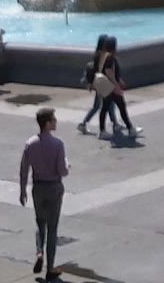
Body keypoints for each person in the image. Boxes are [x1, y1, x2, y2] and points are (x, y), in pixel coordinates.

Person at [20, 106, 70, 279]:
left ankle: (39, 251)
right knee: (53, 228)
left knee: (39, 222)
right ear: (48, 123)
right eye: (54, 119)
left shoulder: (30, 143)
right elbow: (62, 171)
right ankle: (50, 268)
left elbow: (24, 169)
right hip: (54, 188)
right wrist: (66, 164)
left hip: (38, 187)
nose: (56, 121)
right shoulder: (58, 144)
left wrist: (22, 190)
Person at [95, 37, 141, 139]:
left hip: (106, 87)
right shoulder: (110, 57)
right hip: (111, 87)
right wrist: (116, 85)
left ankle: (102, 131)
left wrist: (118, 80)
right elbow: (109, 72)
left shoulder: (103, 56)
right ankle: (130, 129)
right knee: (122, 107)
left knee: (105, 108)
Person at [77, 35, 113, 133]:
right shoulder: (102, 55)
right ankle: (84, 123)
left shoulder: (98, 53)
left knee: (106, 104)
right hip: (102, 83)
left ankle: (115, 123)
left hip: (100, 83)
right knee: (100, 105)